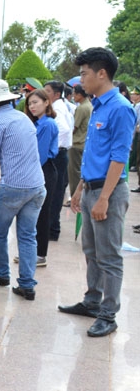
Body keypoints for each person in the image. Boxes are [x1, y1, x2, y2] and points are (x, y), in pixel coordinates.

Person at [59, 47, 135, 338]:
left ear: (101, 73)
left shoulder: (120, 107)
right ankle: (92, 301)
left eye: (84, 73)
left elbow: (119, 157)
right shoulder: (98, 105)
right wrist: (79, 189)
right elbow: (93, 153)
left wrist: (103, 198)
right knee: (91, 251)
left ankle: (108, 313)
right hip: (91, 188)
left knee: (109, 256)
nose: (80, 79)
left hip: (109, 192)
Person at [0, 79, 46, 301]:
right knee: (27, 236)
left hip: (13, 187)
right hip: (36, 186)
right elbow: (23, 154)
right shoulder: (24, 118)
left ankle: (0, 273)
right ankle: (27, 284)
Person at [22, 89, 59, 267]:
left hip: (44, 169)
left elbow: (41, 154)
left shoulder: (47, 124)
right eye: (29, 103)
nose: (32, 106)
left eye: (36, 102)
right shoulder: (37, 123)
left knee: (43, 212)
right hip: (36, 169)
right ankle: (31, 251)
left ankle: (40, 254)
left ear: (46, 102)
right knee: (33, 213)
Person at [44, 81, 74, 240]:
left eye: (47, 91)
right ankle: (52, 227)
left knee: (54, 193)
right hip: (61, 153)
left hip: (58, 154)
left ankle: (51, 230)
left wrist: (52, 146)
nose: (44, 93)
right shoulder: (63, 105)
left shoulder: (57, 108)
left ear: (56, 94)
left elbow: (64, 129)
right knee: (56, 192)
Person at [68, 85, 92, 197]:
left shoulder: (82, 108)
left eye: (74, 93)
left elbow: (74, 127)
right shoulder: (89, 105)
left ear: (79, 94)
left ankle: (74, 196)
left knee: (74, 173)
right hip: (84, 143)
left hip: (77, 143)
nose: (73, 96)